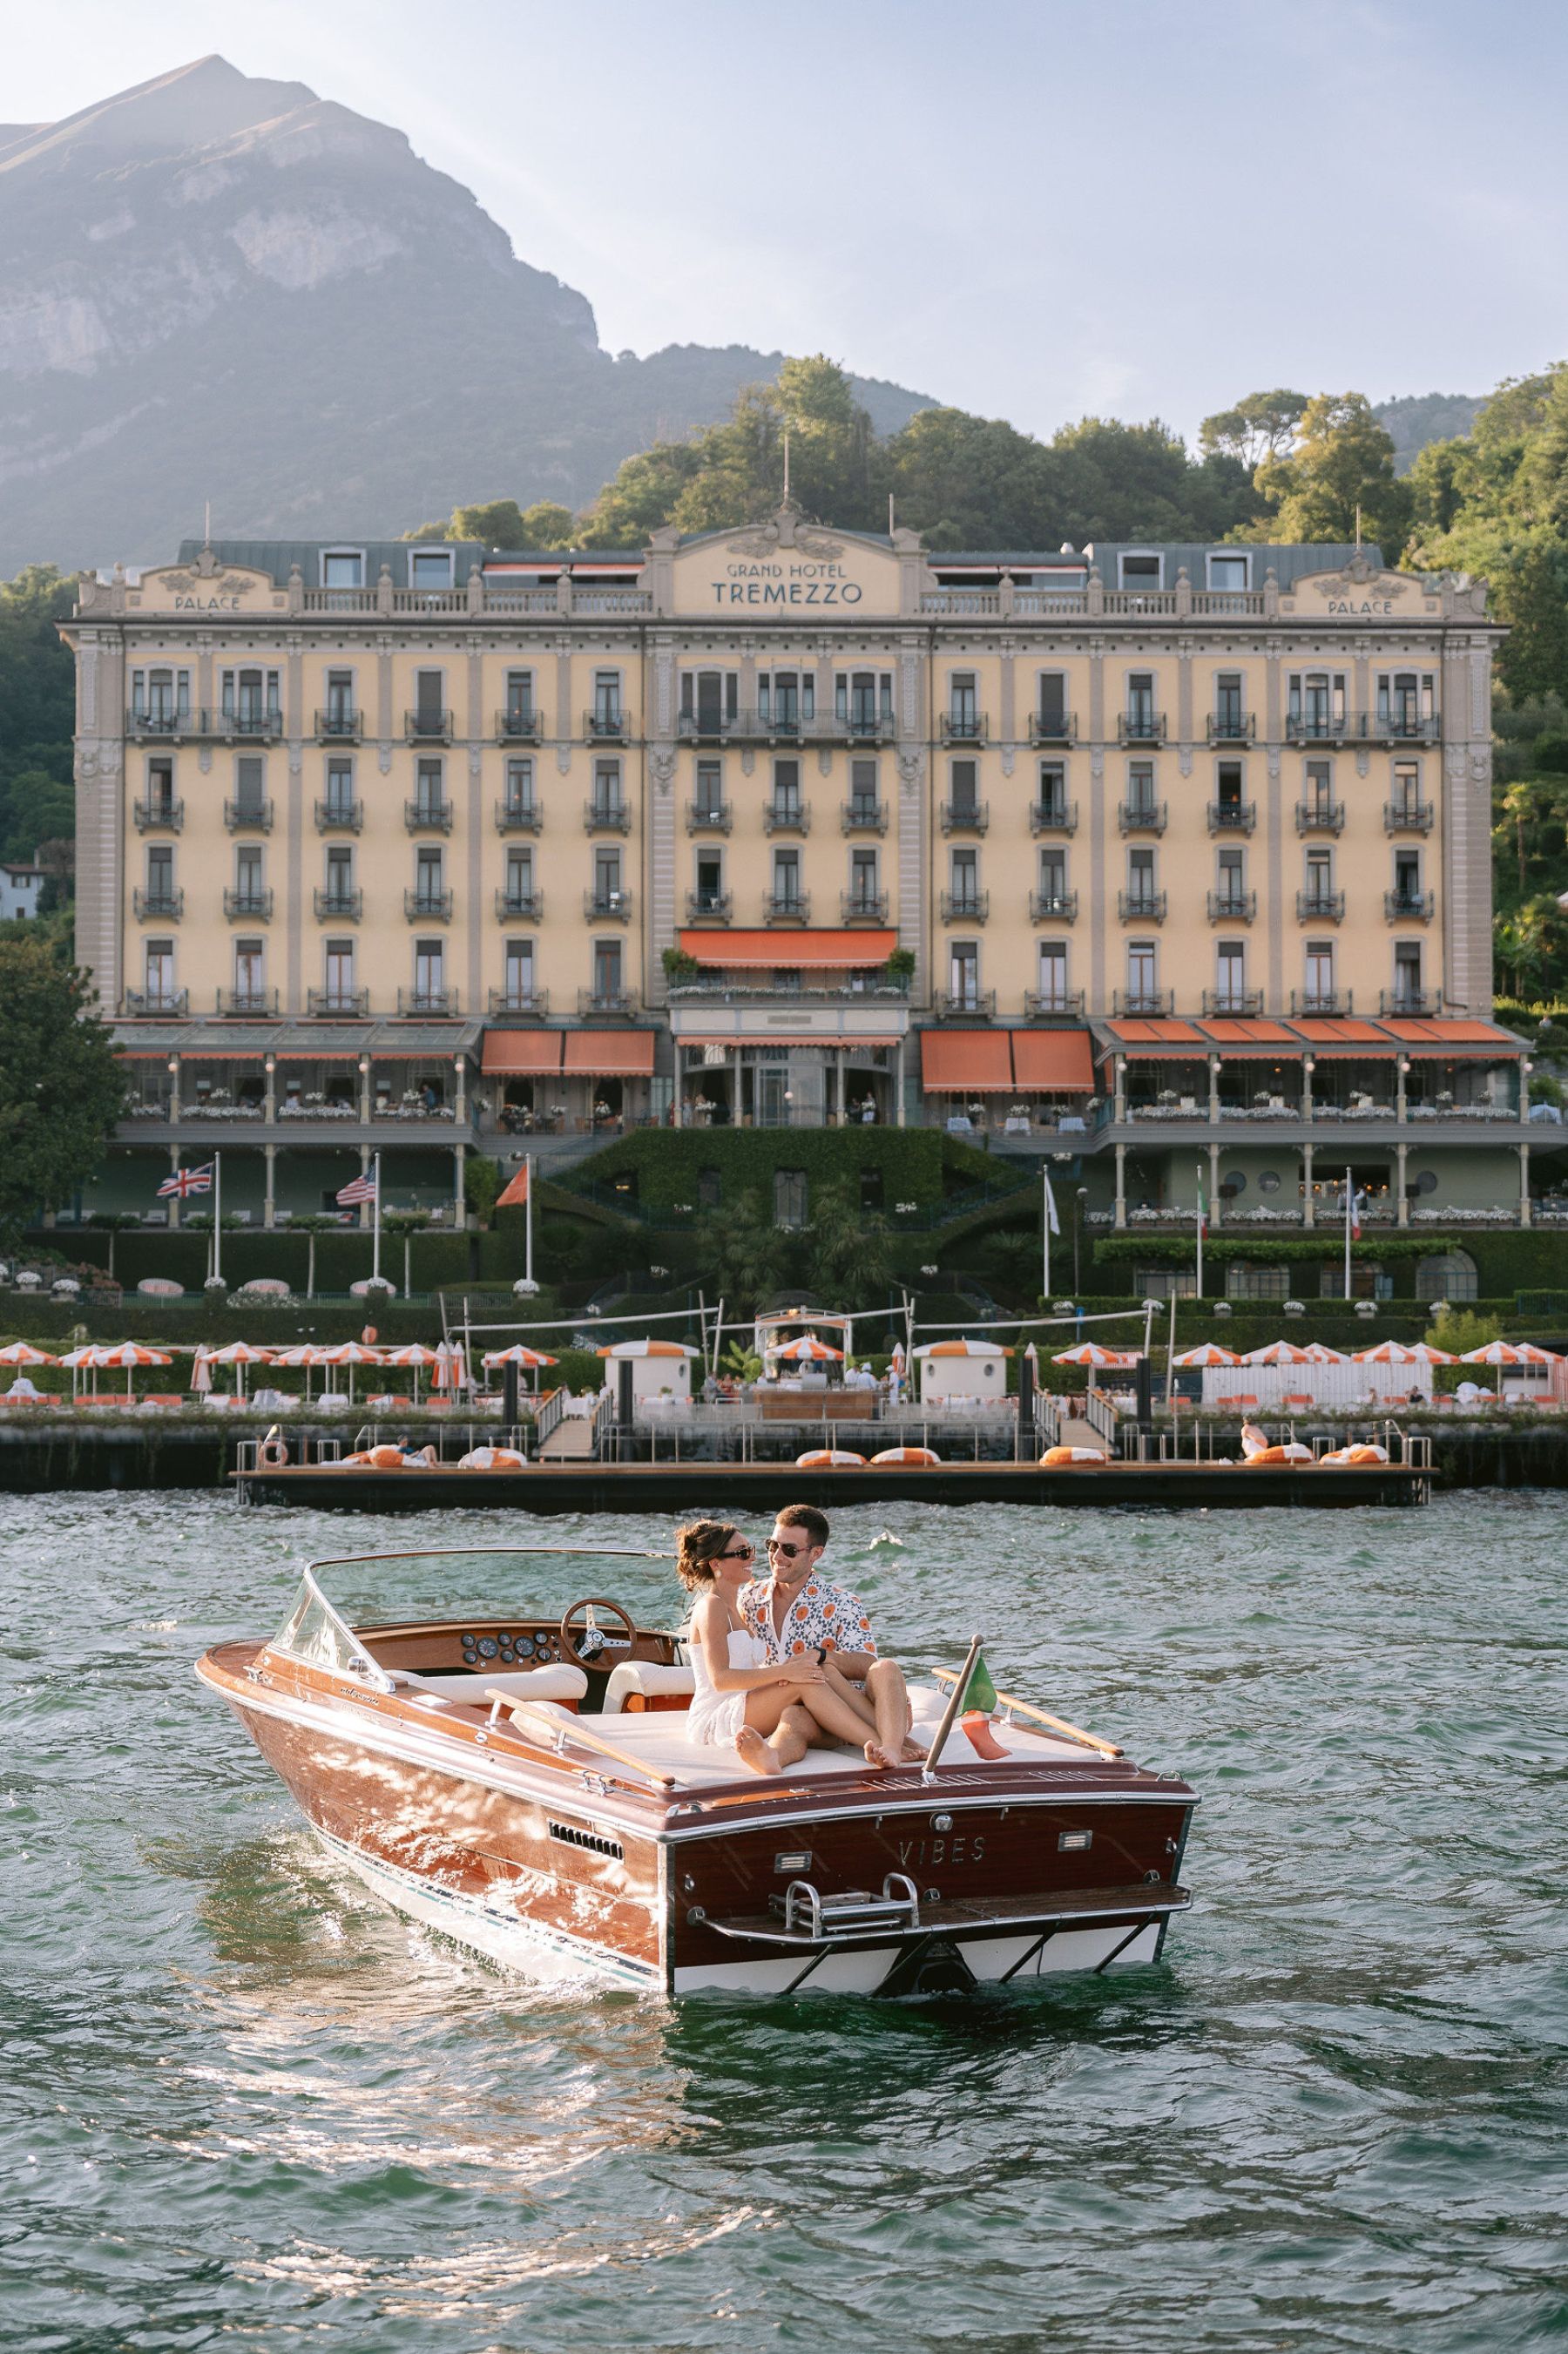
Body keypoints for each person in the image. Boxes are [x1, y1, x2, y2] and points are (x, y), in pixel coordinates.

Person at [676, 1519, 893, 1776]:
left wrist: (788, 1672)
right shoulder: (711, 1606)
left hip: (745, 1701)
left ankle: (889, 1744)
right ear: (716, 1564)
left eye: (753, 1549)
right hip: (717, 1713)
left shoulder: (741, 1603)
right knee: (805, 1680)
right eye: (742, 1553)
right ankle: (885, 1745)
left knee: (810, 1678)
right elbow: (721, 1679)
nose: (753, 1558)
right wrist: (786, 1674)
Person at [738, 1503, 923, 1768]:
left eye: (789, 1550)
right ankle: (772, 1758)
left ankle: (892, 1747)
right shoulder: (749, 1599)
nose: (777, 1556)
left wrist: (823, 1656)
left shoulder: (842, 1602)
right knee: (793, 1716)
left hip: (849, 1709)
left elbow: (866, 1663)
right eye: (772, 1545)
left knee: (885, 1667)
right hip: (792, 1707)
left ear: (815, 1554)